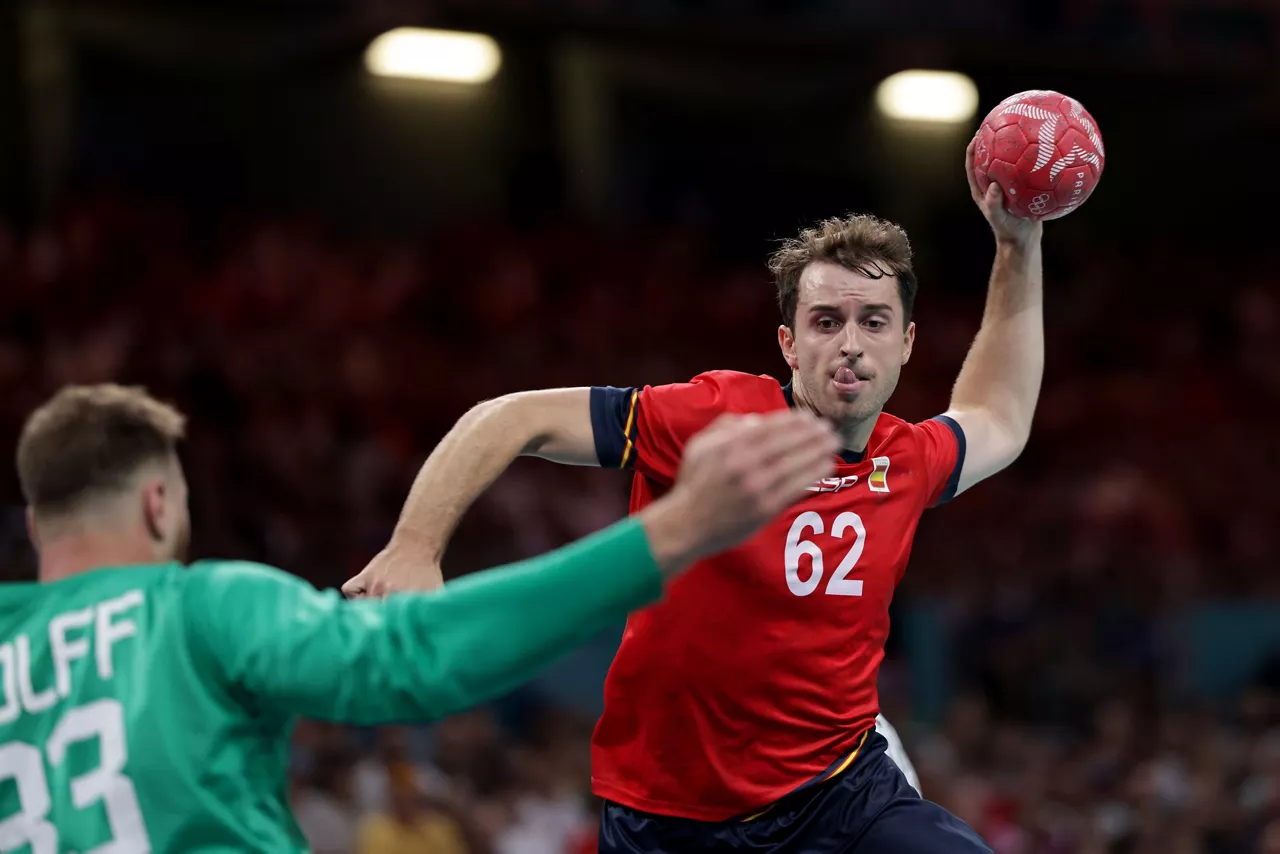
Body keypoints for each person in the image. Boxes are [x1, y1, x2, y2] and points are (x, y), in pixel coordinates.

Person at [346, 142, 1041, 852]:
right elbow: (510, 416)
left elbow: (1000, 418)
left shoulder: (908, 457)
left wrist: (1018, 245)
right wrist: (414, 547)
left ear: (907, 343)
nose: (852, 344)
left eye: (874, 322)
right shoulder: (711, 417)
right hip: (670, 816)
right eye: (826, 321)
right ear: (789, 344)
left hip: (839, 793)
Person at [0, 383, 838, 852]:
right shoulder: (200, 607)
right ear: (157, 506)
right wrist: (677, 527)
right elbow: (411, 661)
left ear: (37, 525)